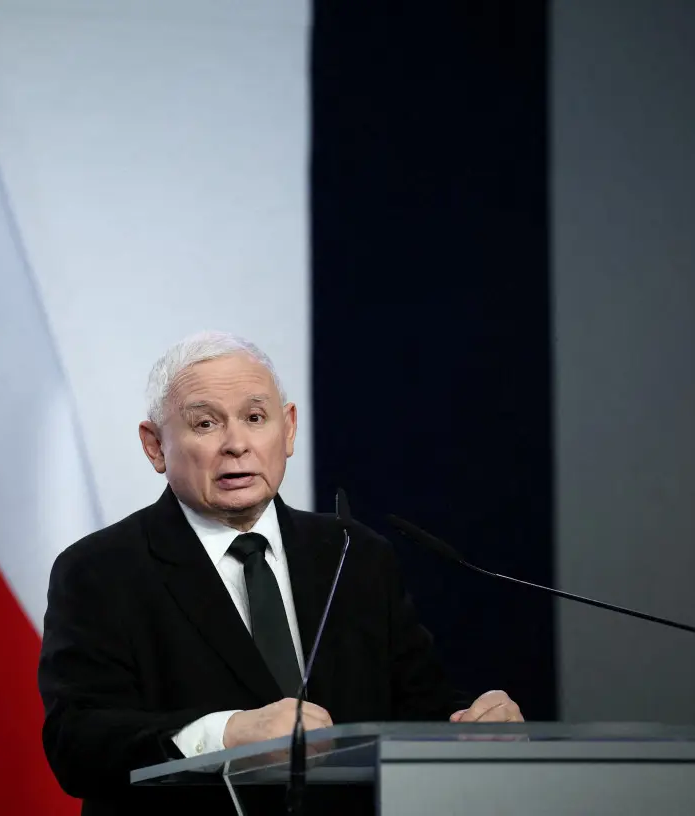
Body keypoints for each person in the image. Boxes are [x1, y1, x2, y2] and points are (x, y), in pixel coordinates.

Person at [38, 331, 521, 814]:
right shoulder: (100, 570)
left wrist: (471, 720)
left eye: (254, 418)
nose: (236, 444)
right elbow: (76, 742)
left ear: (288, 430)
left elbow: (418, 703)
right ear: (155, 446)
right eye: (205, 424)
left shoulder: (355, 554)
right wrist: (229, 734)